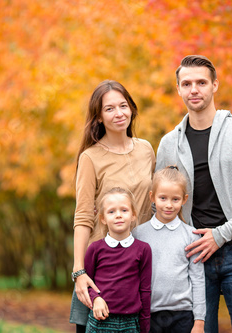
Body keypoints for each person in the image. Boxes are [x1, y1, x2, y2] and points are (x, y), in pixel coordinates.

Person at [155, 55, 232, 333]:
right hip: (193, 256)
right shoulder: (168, 144)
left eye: (201, 82)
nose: (194, 89)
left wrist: (220, 234)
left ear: (215, 86)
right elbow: (160, 204)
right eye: (187, 83)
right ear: (179, 89)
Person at [69, 80, 156, 332]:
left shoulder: (146, 150)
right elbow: (83, 217)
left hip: (138, 260)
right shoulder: (90, 158)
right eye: (109, 109)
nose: (119, 113)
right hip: (103, 265)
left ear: (132, 109)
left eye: (123, 106)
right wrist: (79, 272)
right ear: (98, 116)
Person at [133, 166, 205, 333]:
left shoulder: (191, 236)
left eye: (175, 199)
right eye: (163, 198)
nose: (169, 205)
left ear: (184, 199)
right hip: (147, 314)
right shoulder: (138, 234)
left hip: (183, 316)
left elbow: (198, 279)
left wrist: (199, 322)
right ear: (152, 197)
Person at [84, 187, 152, 333]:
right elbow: (86, 283)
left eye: (124, 210)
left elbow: (145, 290)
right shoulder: (95, 249)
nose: (118, 215)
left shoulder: (143, 249)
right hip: (100, 321)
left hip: (131, 323)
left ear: (133, 215)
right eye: (111, 211)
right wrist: (95, 299)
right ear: (103, 218)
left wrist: (145, 326)